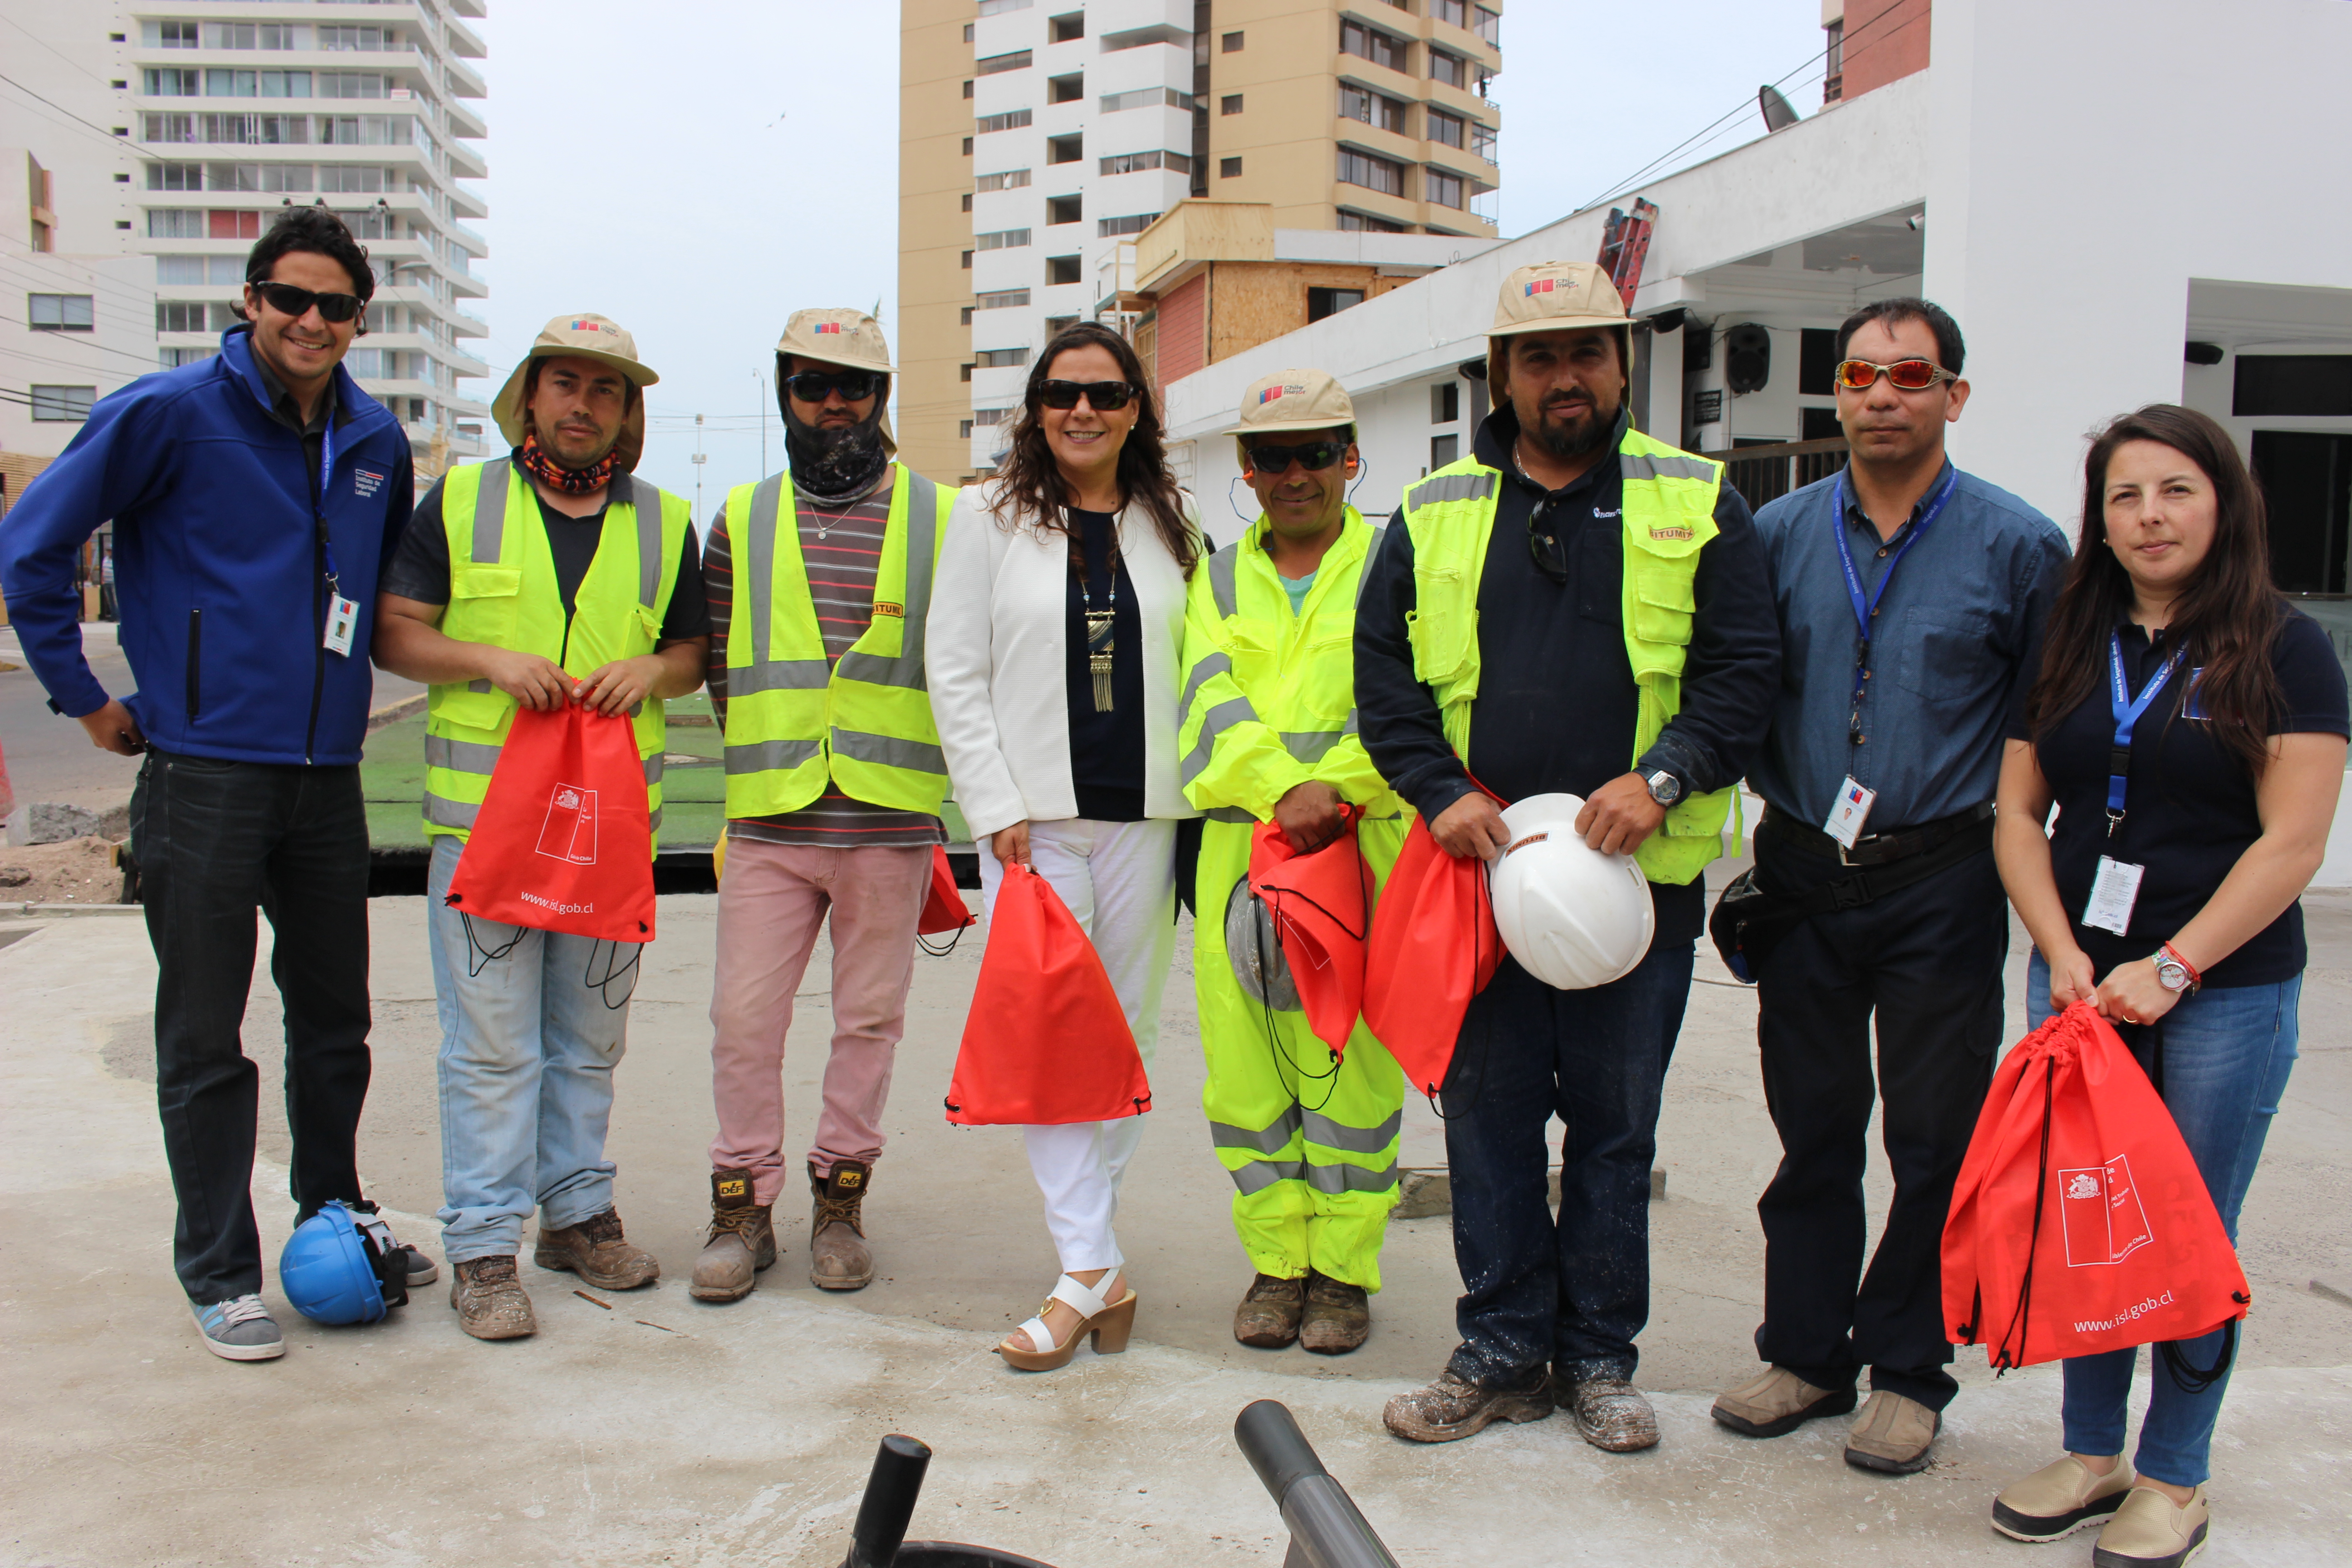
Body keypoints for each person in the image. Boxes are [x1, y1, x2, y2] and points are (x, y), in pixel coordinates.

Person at [1357, 260, 1779, 1447]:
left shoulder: (1697, 501)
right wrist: (1436, 791)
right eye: (1539, 358)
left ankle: (1598, 1359)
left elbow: (1743, 675)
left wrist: (1666, 779)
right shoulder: (1437, 508)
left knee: (1611, 1128)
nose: (1565, 377)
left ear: (1621, 360)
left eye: (1587, 352)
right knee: (1485, 1122)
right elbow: (1383, 682)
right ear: (1503, 375)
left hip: (1631, 893)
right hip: (1480, 882)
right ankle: (1497, 1352)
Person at [0, 207, 422, 1361]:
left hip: (325, 778)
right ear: (250, 300)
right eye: (291, 298)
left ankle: (334, 1218)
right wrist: (84, 702)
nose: (312, 321)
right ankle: (220, 1270)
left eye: (337, 306)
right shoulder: (168, 416)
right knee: (204, 1033)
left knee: (335, 1021)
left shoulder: (377, 440)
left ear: (358, 320)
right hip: (203, 775)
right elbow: (29, 551)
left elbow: (384, 606)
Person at [1710, 299, 2071, 1474]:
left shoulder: (2021, 549)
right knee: (1813, 1131)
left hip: (1943, 879)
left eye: (1909, 375)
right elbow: (1733, 685)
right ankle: (1806, 1356)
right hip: (1808, 870)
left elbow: (2046, 725)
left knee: (1934, 1143)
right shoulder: (1773, 534)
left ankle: (1910, 1372)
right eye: (1859, 373)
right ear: (1838, 395)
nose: (1880, 395)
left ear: (1953, 396)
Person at [1988, 405, 2344, 1567]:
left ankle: (2176, 1476)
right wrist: (2061, 951)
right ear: (2100, 518)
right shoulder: (2068, 639)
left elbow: (2293, 845)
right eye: (2125, 495)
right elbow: (2017, 815)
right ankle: (2093, 1454)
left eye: (2176, 490)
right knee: (2090, 1217)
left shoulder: (2286, 647)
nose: (2149, 515)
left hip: (2223, 995)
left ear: (2225, 502)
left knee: (2188, 1232)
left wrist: (2177, 964)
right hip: (2088, 989)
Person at [372, 314, 707, 1341]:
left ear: (626, 412)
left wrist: (655, 671)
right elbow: (395, 632)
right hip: (486, 834)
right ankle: (483, 1243)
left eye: (606, 391)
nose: (583, 406)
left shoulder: (662, 522)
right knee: (490, 1046)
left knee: (589, 1039)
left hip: (610, 835)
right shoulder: (464, 501)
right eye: (565, 384)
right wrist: (488, 661)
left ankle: (576, 1214)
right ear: (529, 397)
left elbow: (690, 652)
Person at [927, 321, 1205, 1372]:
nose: (1081, 410)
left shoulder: (1167, 529)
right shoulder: (986, 518)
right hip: (1031, 828)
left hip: (1148, 818)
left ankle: (1093, 1267)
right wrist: (991, 800)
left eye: (1103, 392)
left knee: (1120, 1043)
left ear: (1135, 409)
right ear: (1037, 410)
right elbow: (954, 669)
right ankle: (1089, 1267)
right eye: (1060, 394)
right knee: (1052, 1040)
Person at [694, 309, 957, 1302]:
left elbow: (961, 663)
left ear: (881, 398)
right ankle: (741, 1208)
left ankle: (840, 1198)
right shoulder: (743, 519)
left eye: (852, 384)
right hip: (771, 820)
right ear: (785, 393)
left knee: (869, 1022)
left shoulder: (941, 517)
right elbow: (722, 661)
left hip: (887, 820)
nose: (833, 402)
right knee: (743, 1020)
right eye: (812, 384)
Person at [1179, 369, 1407, 1355]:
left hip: (1362, 852)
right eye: (1274, 457)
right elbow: (1207, 702)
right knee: (1247, 1073)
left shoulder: (1396, 564)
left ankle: (1344, 1276)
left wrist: (1337, 790)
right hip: (1245, 853)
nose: (1296, 474)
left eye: (1316, 452)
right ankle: (1277, 1265)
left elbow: (1410, 700)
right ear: (1247, 469)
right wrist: (1285, 793)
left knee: (1354, 1070)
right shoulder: (1219, 578)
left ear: (1350, 458)